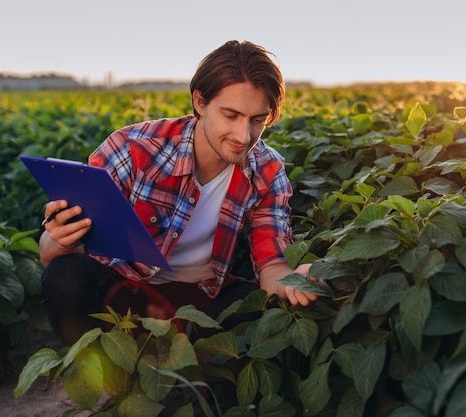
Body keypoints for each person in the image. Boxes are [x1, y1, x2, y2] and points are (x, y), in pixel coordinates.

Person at [39, 40, 318, 346]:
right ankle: (104, 371)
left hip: (198, 299)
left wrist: (295, 281)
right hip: (123, 292)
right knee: (64, 274)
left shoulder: (266, 170)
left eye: (257, 120)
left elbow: (272, 266)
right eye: (231, 115)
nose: (243, 136)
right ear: (200, 103)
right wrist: (58, 241)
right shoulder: (132, 149)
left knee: (263, 312)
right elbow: (52, 253)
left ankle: (174, 364)